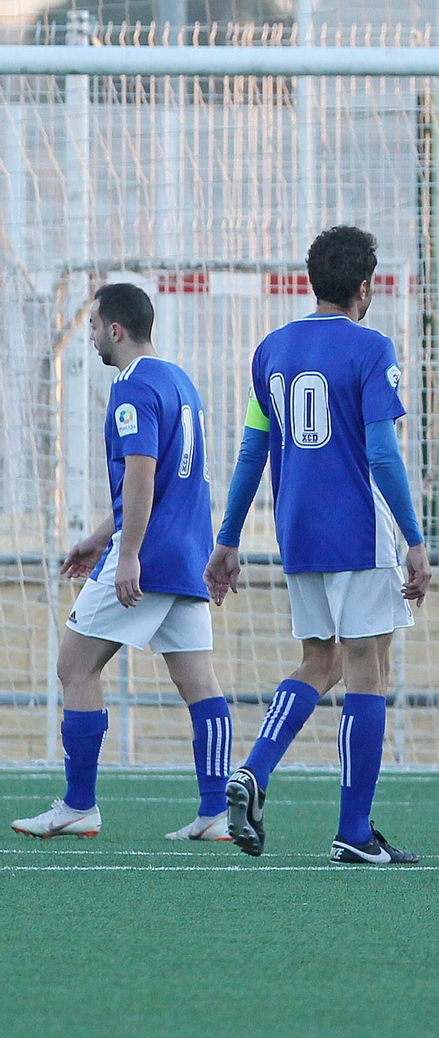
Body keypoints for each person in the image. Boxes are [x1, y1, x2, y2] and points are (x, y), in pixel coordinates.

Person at [205, 225, 431, 865]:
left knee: (319, 660)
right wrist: (414, 540)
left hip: (296, 528)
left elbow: (254, 449)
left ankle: (252, 770)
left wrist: (228, 539)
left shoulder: (271, 350)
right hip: (358, 528)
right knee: (368, 667)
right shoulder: (371, 348)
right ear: (365, 286)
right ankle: (354, 832)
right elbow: (383, 455)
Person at [12, 283, 234, 843]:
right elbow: (162, 480)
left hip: (148, 556)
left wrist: (127, 551)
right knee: (198, 680)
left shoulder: (131, 386)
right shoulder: (179, 380)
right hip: (189, 555)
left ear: (114, 329)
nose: (87, 337)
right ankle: (215, 812)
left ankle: (78, 804)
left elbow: (140, 474)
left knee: (75, 667)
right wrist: (97, 536)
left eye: (91, 326)